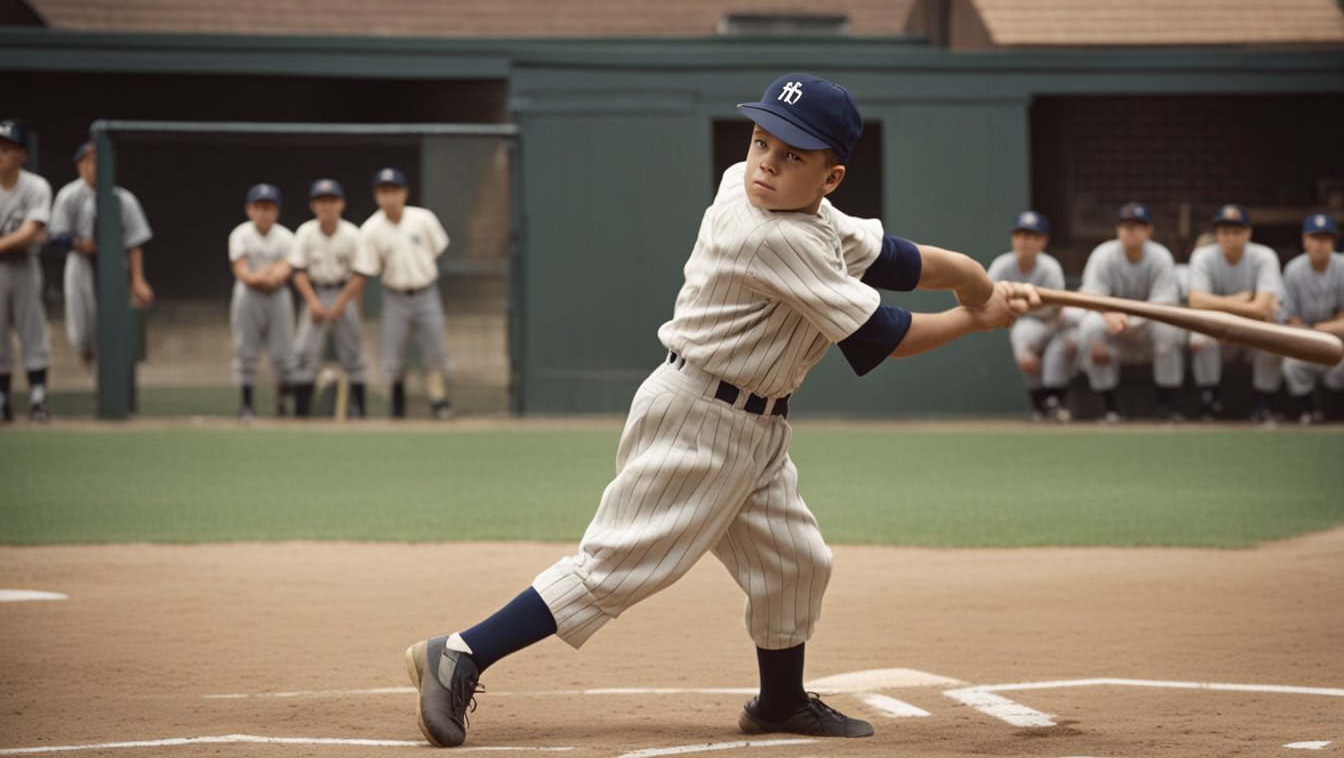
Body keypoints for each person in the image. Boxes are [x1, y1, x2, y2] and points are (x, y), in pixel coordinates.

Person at [403, 73, 1035, 748]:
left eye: (794, 153)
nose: (768, 161)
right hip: (699, 420)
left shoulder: (799, 211)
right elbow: (889, 334)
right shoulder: (771, 231)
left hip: (755, 425)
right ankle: (461, 653)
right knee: (617, 568)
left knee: (795, 564)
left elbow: (889, 256)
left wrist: (973, 277)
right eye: (764, 141)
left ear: (831, 177)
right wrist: (977, 319)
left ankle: (780, 702)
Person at [331, 168, 452, 419]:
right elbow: (365, 269)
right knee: (393, 354)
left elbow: (437, 249)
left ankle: (439, 402)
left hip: (426, 291)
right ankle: (397, 406)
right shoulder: (371, 229)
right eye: (383, 192)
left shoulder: (423, 219)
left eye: (394, 191)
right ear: (377, 196)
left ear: (404, 193)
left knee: (435, 350)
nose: (389, 197)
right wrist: (347, 301)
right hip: (395, 296)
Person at [1073, 202, 1185, 422]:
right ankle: (1109, 408)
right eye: (1125, 225)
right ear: (1117, 230)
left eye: (1137, 225)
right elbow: (1090, 296)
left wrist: (1129, 320)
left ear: (1149, 230)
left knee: (1168, 328)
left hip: (1148, 327)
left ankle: (1167, 406)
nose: (1130, 231)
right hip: (1113, 326)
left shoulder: (1160, 256)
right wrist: (1108, 314)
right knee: (1090, 327)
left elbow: (1166, 303)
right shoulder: (1104, 254)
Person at [48, 140, 155, 364]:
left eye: (98, 161)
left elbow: (134, 242)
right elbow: (55, 237)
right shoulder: (69, 195)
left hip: (113, 264)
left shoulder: (123, 198)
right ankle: (89, 357)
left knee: (113, 324)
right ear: (79, 165)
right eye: (87, 161)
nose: (93, 166)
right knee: (81, 326)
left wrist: (138, 280)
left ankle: (109, 368)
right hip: (80, 263)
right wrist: (78, 243)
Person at [1186, 204, 1284, 423]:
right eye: (1224, 231)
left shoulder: (1264, 256)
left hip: (1252, 329)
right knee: (1199, 338)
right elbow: (1196, 301)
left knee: (1274, 337)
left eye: (1236, 231)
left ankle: (1263, 404)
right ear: (1217, 234)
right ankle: (1208, 401)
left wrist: (1218, 305)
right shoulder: (1203, 255)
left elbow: (1263, 309)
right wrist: (1238, 300)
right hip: (1218, 329)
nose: (1230, 237)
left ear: (1248, 233)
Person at [287, 179, 367, 418]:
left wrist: (341, 302)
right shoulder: (305, 232)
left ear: (341, 204)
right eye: (321, 202)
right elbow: (298, 272)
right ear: (314, 206)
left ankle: (359, 411)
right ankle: (301, 412)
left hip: (345, 293)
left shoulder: (352, 233)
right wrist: (313, 302)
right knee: (304, 353)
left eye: (331, 201)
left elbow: (361, 273)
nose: (327, 206)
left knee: (353, 353)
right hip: (315, 292)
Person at [986, 210, 1075, 421]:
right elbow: (986, 298)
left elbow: (1057, 307)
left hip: (1055, 321)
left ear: (1042, 241)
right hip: (1029, 321)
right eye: (1019, 235)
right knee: (1023, 338)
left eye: (1030, 236)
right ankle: (1040, 406)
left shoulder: (1050, 267)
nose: (1023, 241)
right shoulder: (1002, 264)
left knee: (1069, 341)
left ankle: (1054, 401)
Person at [0, 120, 54, 423]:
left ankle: (37, 397)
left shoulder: (35, 186)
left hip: (24, 265)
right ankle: (3, 398)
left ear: (21, 154)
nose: (1, 155)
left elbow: (32, 231)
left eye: (7, 149)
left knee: (33, 330)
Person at [228, 183, 296, 421]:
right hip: (248, 295)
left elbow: (284, 271)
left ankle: (282, 405)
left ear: (276, 211)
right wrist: (266, 272)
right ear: (249, 209)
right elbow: (242, 272)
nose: (264, 212)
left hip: (277, 295)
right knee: (245, 351)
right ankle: (246, 405)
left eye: (269, 207)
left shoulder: (286, 236)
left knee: (282, 353)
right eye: (259, 207)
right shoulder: (240, 234)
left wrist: (267, 273)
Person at [1281, 213, 1344, 424]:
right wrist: (1310, 331)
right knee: (1291, 364)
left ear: (1333, 242)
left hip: (1338, 338)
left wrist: (1324, 328)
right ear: (1305, 241)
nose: (1320, 244)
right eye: (1315, 238)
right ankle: (1307, 410)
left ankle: (1333, 411)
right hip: (1304, 337)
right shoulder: (1293, 269)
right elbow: (1289, 315)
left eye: (1325, 239)